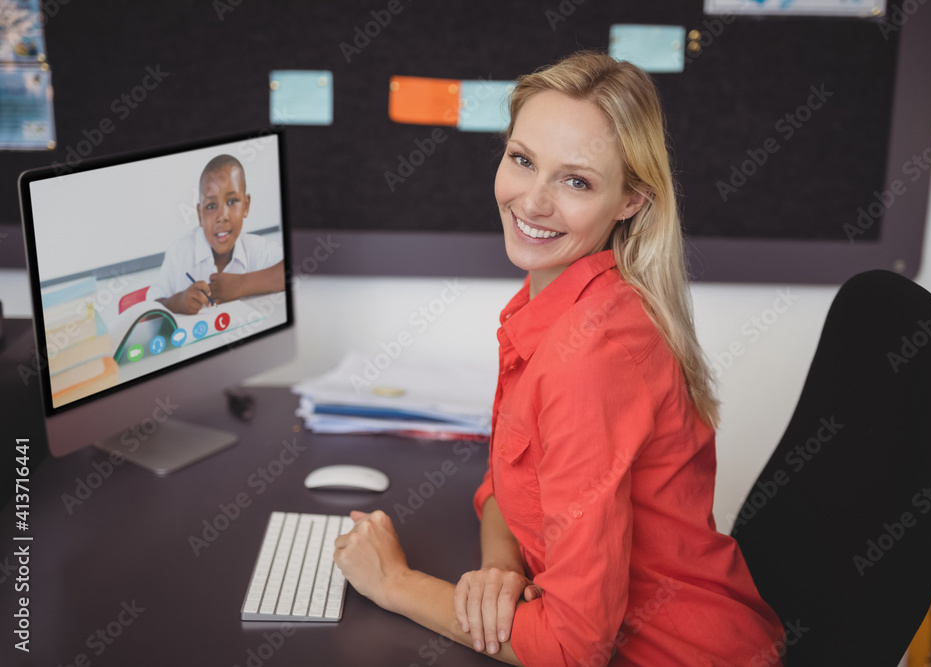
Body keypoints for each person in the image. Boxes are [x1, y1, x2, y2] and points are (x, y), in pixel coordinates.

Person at [333, 52, 785, 666]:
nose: (532, 201)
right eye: (522, 160)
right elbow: (505, 482)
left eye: (576, 181)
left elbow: (572, 649)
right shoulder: (551, 301)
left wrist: (395, 584)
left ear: (631, 199)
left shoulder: (588, 357)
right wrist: (500, 570)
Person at [147, 154, 284, 314]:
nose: (222, 216)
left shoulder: (255, 248)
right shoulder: (179, 252)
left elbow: (298, 267)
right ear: (200, 215)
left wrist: (241, 285)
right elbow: (148, 311)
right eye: (211, 206)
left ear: (246, 206)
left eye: (232, 202)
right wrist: (178, 302)